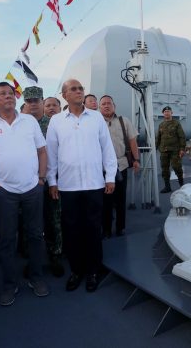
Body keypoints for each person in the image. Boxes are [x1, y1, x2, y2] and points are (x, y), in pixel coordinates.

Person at [0, 82, 50, 306]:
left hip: (32, 188)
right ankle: (10, 284)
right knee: (7, 239)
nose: (8, 96)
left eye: (11, 93)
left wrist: (40, 179)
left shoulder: (29, 121)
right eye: (2, 94)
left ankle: (36, 277)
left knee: (36, 236)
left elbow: (42, 151)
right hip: (4, 191)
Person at [46, 79, 117, 293]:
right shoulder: (56, 121)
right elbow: (51, 154)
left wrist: (110, 176)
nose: (78, 92)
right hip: (68, 187)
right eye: (73, 89)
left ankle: (94, 271)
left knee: (94, 229)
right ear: (64, 95)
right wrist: (52, 181)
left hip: (94, 184)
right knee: (72, 231)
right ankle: (77, 271)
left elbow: (107, 149)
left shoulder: (96, 118)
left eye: (80, 89)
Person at [24, 86, 64, 277]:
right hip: (28, 182)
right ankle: (34, 259)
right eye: (29, 101)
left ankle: (55, 254)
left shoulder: (54, 124)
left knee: (53, 219)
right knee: (31, 222)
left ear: (41, 102)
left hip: (50, 181)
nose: (33, 104)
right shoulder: (21, 124)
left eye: (36, 100)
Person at [99, 95, 140, 238]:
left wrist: (136, 159)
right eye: (103, 104)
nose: (106, 105)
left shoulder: (124, 121)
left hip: (120, 165)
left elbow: (133, 141)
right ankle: (106, 229)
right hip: (102, 167)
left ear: (114, 106)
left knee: (120, 199)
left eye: (109, 103)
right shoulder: (96, 122)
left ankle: (121, 227)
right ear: (99, 107)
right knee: (105, 201)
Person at [155, 106, 186, 193]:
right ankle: (167, 186)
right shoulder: (161, 125)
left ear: (171, 113)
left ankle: (182, 184)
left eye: (168, 111)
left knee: (177, 167)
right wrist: (155, 148)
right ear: (163, 114)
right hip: (164, 150)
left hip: (175, 150)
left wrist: (182, 149)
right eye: (165, 111)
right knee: (164, 169)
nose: (167, 113)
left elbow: (181, 136)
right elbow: (158, 138)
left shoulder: (176, 123)